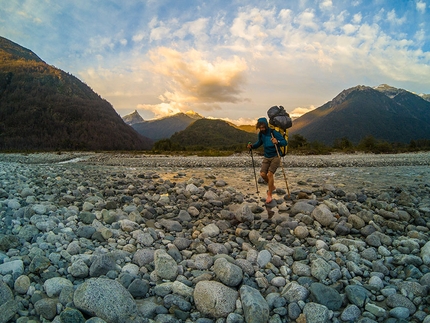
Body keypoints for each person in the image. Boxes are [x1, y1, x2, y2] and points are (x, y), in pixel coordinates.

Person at [247, 117, 287, 204]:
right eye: (260, 127)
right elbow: (259, 143)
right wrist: (252, 146)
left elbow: (285, 142)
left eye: (263, 127)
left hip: (276, 155)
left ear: (266, 125)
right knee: (262, 174)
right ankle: (271, 186)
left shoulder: (273, 132)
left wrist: (277, 141)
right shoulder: (261, 134)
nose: (262, 129)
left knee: (270, 174)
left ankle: (269, 194)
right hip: (267, 156)